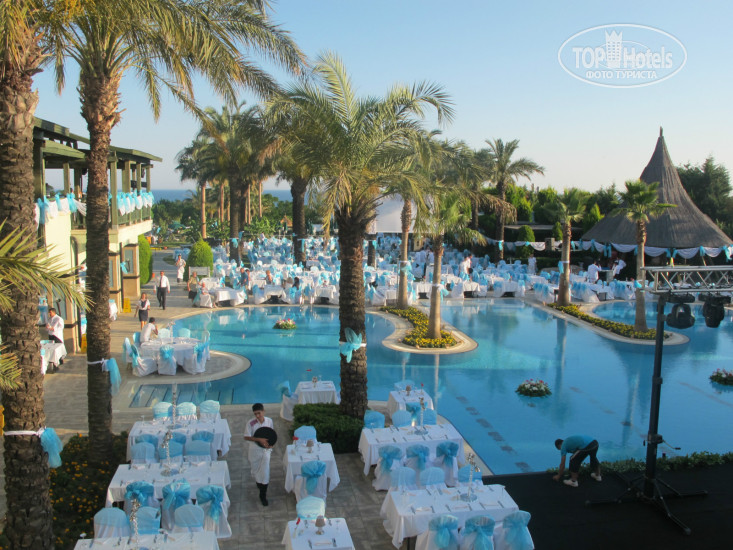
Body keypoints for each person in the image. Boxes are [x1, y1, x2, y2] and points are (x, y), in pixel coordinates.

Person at [244, 403, 274, 506]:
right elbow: (246, 437)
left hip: (265, 450)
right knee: (256, 470)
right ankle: (259, 483)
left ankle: (263, 495)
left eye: (259, 413)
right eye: (255, 414)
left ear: (263, 411)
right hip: (254, 450)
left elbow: (272, 433)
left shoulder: (269, 421)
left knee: (265, 472)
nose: (257, 416)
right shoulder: (251, 423)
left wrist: (271, 444)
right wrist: (258, 439)